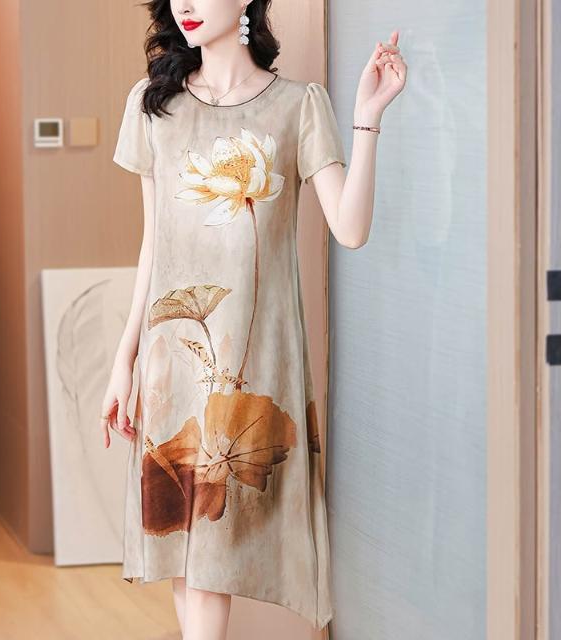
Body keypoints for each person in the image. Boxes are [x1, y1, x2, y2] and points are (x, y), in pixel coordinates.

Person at [100, 1, 407, 638]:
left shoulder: (298, 105)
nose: (185, 4)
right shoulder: (153, 105)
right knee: (188, 557)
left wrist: (368, 119)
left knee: (208, 560)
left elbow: (350, 229)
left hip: (250, 372)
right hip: (172, 362)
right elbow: (153, 244)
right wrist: (123, 362)